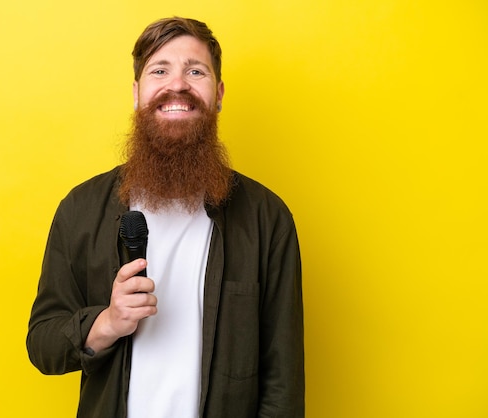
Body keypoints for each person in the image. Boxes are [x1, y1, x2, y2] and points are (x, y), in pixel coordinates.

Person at [27, 16, 304, 418]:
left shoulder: (267, 218)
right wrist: (105, 322)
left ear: (219, 93)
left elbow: (283, 383)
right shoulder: (81, 209)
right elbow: (43, 346)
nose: (178, 85)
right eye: (160, 70)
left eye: (196, 71)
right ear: (137, 93)